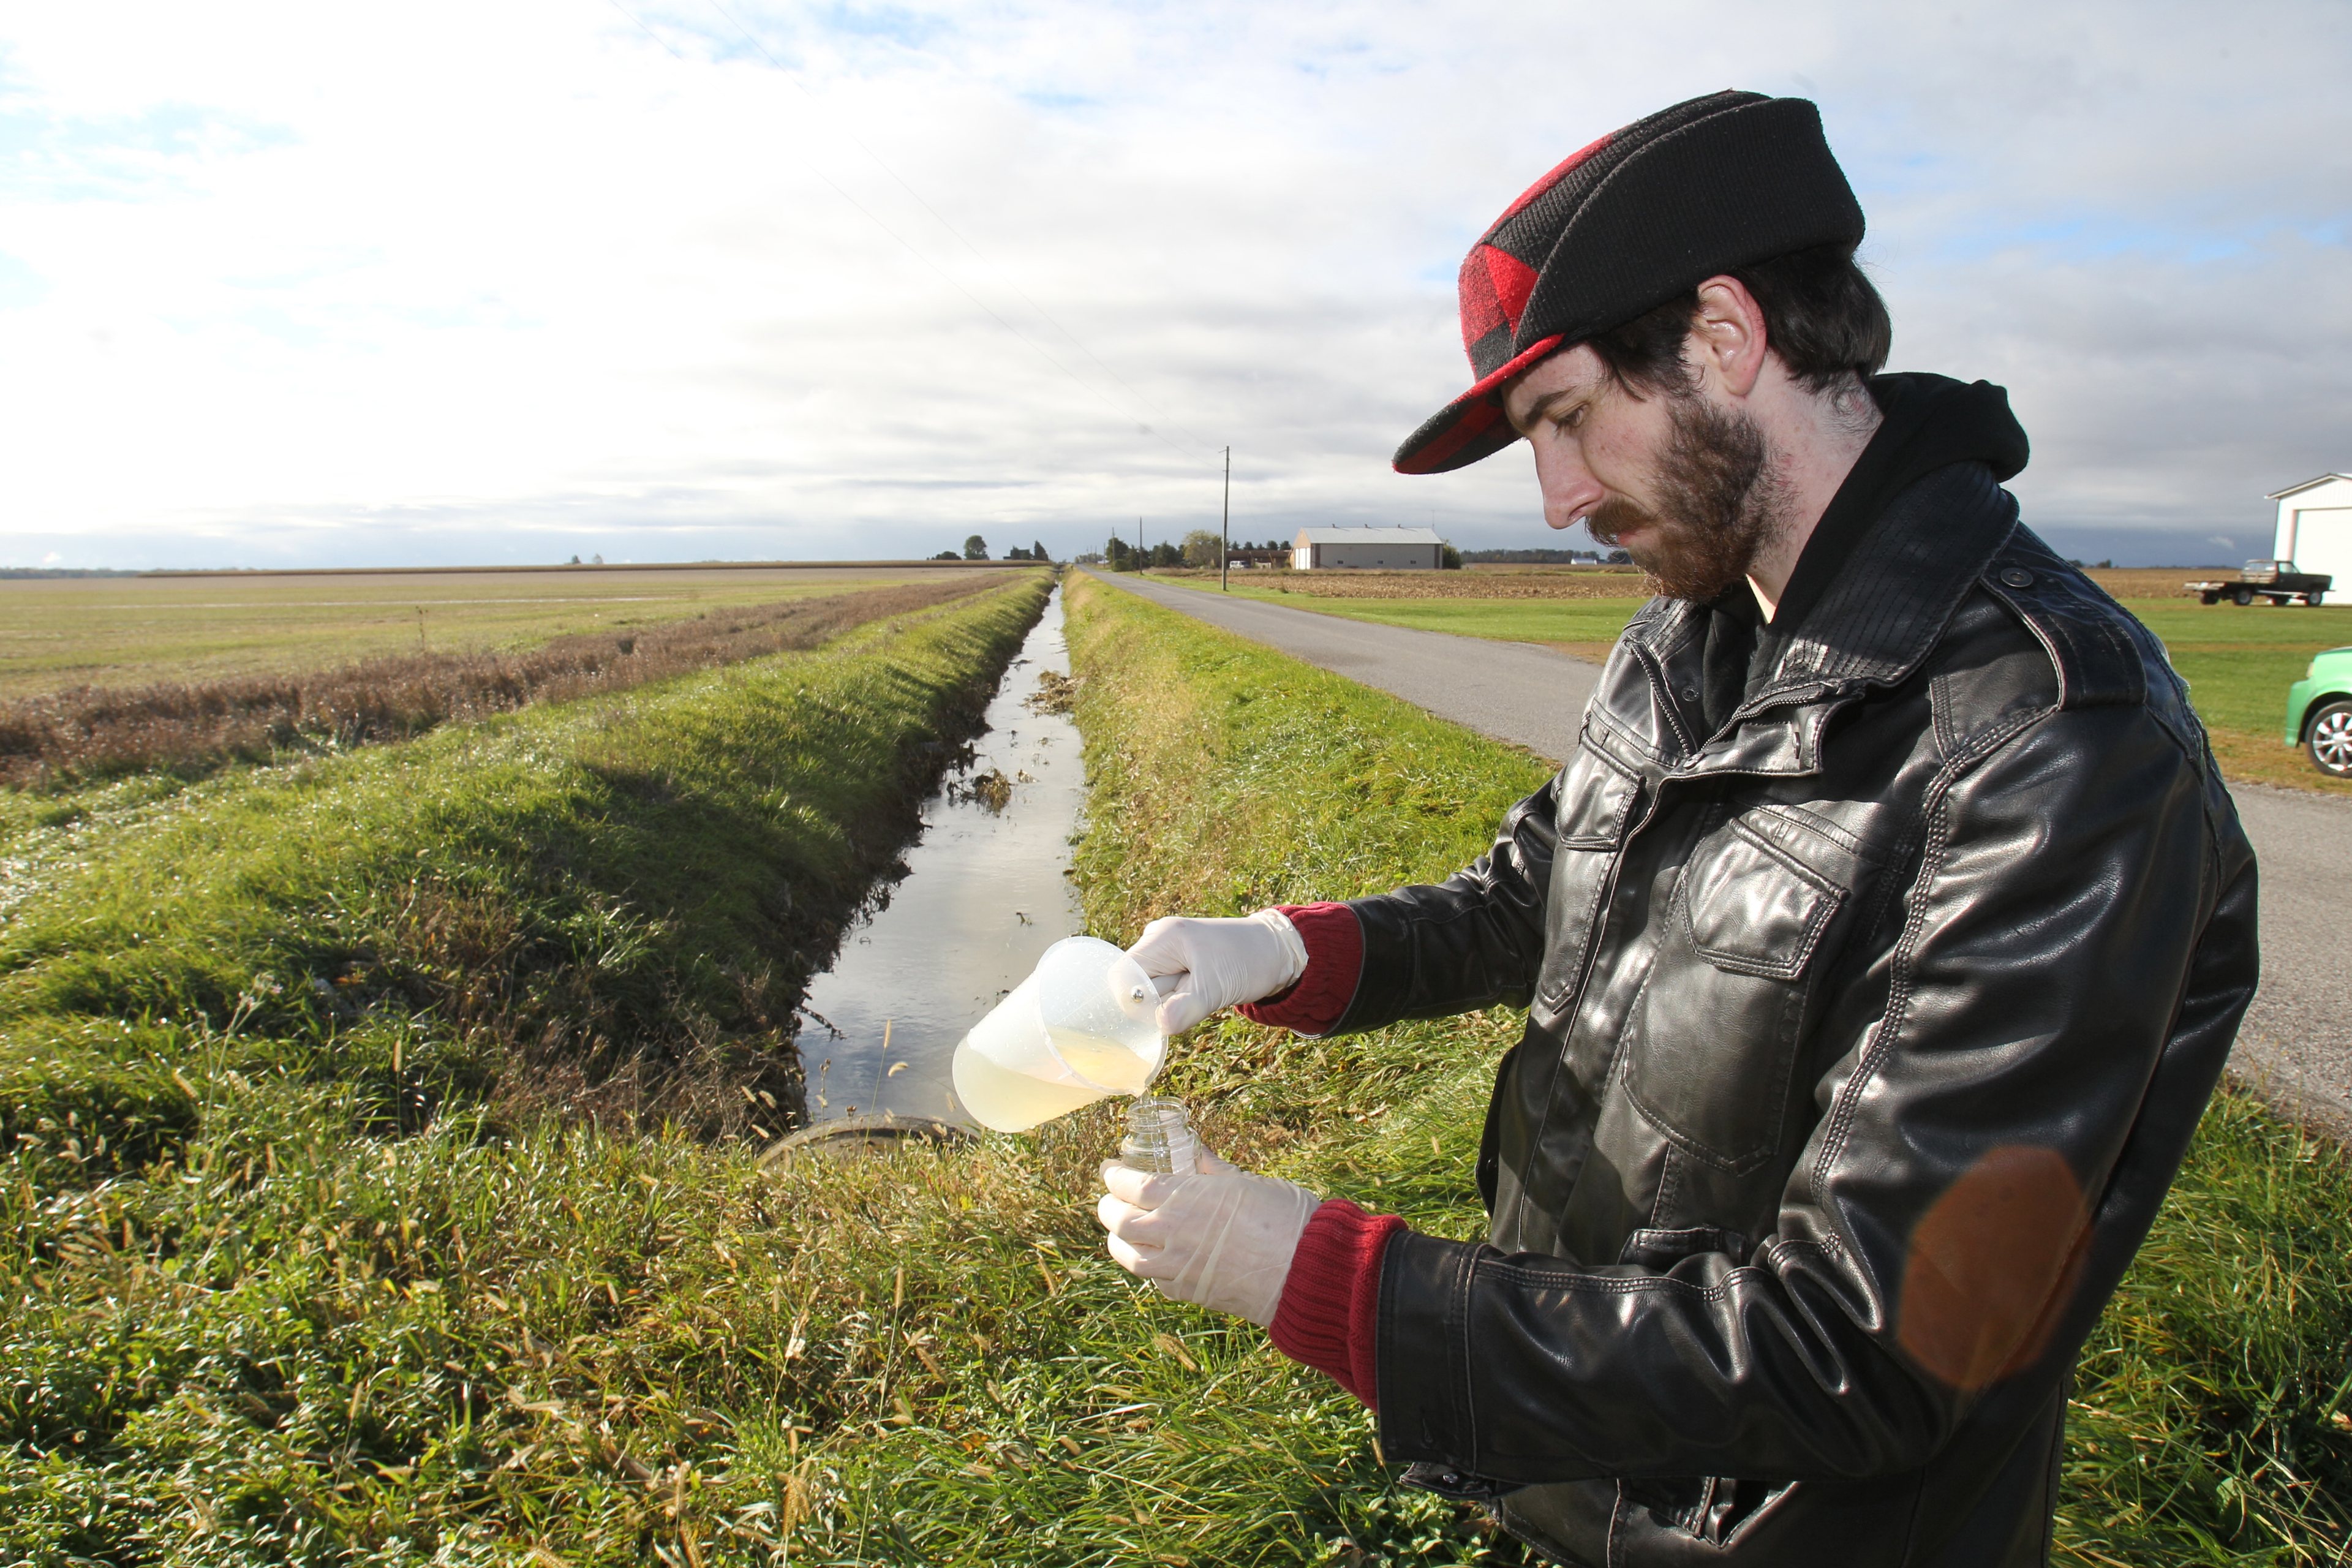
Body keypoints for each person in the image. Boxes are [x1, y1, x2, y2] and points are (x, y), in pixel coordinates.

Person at [1093, 90, 2259, 1566]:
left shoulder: (2052, 747)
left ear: (1723, 336)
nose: (1561, 494)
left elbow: (1870, 1345)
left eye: (1569, 416)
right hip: (1586, 1476)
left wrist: (1329, 1278)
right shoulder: (1691, 632)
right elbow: (1545, 893)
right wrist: (1273, 953)